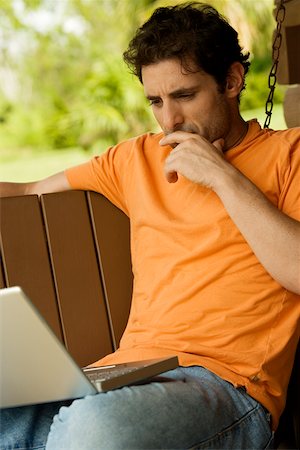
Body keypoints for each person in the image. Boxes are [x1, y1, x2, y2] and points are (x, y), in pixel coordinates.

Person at [1, 2, 299, 449]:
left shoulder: (289, 154)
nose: (169, 120)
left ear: (232, 81)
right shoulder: (135, 158)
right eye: (155, 102)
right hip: (125, 377)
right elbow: (27, 192)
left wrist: (222, 175)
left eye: (184, 95)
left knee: (92, 429)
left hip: (228, 386)